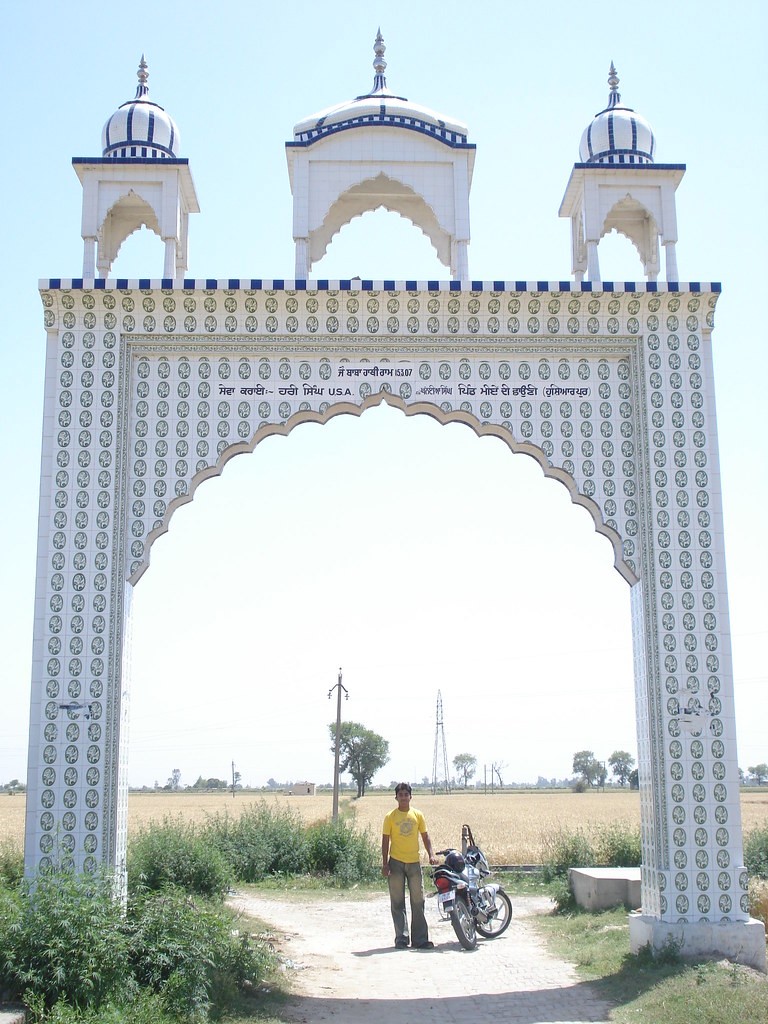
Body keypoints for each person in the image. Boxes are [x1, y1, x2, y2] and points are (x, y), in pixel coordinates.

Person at [381, 782, 439, 949]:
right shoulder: (390, 817)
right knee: (397, 902)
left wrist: (431, 854)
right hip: (396, 863)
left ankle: (420, 939)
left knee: (418, 901)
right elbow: (385, 841)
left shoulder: (418, 815)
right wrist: (385, 863)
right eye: (401, 795)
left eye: (406, 794)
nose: (404, 797)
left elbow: (425, 836)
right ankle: (401, 938)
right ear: (396, 798)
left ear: (410, 797)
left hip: (414, 863)